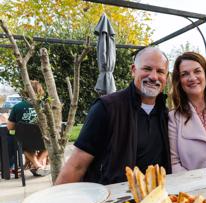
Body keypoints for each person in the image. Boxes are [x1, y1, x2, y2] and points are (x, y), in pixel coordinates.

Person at [55, 47, 172, 185]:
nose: (153, 76)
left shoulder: (165, 114)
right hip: (112, 200)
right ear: (133, 70)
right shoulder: (107, 107)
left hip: (155, 199)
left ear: (166, 77)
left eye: (160, 71)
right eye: (147, 69)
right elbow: (77, 166)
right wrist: (56, 202)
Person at [7, 80, 49, 176]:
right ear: (40, 91)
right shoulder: (46, 105)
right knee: (49, 145)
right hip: (44, 140)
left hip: (24, 141)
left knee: (20, 142)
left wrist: (14, 132)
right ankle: (38, 165)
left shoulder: (17, 107)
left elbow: (10, 128)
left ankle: (36, 165)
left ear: (26, 91)